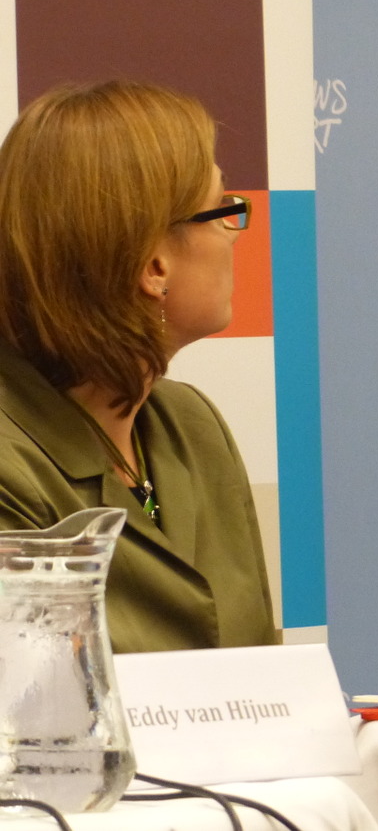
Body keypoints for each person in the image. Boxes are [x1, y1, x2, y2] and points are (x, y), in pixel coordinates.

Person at [0, 80, 276, 652]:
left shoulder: (191, 425)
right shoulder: (10, 464)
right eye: (222, 211)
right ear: (153, 265)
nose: (234, 235)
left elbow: (258, 668)